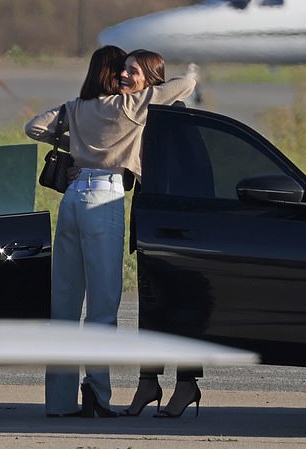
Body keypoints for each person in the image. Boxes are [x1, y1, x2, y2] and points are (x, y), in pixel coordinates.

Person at [25, 46, 195, 418]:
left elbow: (33, 126)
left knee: (65, 303)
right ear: (110, 72)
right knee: (102, 305)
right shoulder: (129, 107)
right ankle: (98, 395)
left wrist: (77, 147)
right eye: (121, 69)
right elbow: (184, 84)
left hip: (70, 199)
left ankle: (59, 401)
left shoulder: (76, 106)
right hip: (104, 197)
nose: (123, 76)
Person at [117, 50, 203, 419]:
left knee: (181, 306)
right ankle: (148, 382)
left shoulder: (176, 118)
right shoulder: (132, 115)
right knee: (151, 310)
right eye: (123, 69)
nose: (124, 75)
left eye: (132, 71)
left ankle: (186, 385)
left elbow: (198, 173)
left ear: (152, 79)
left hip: (177, 227)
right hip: (149, 223)